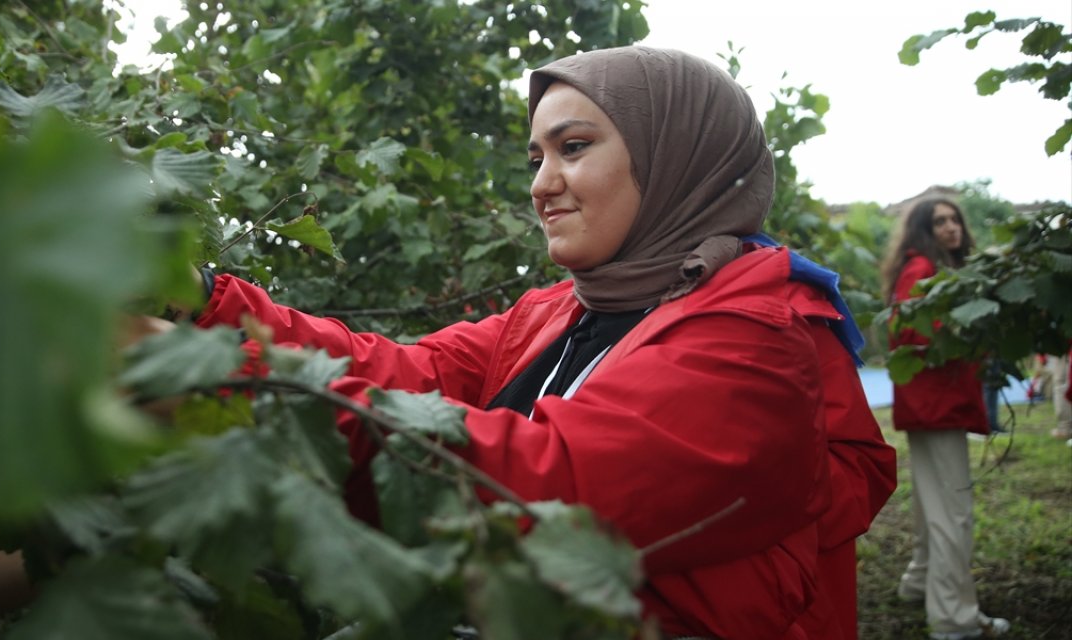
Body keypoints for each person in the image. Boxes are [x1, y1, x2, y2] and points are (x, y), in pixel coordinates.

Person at [192, 46, 894, 639]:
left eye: (574, 148)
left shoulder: (755, 338)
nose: (541, 184)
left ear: (678, 155)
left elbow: (547, 485)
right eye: (536, 156)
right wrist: (206, 305)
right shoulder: (561, 311)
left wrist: (231, 381)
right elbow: (412, 372)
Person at [882, 198, 1010, 639]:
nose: (952, 227)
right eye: (940, 221)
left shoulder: (932, 269)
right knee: (953, 511)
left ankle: (919, 582)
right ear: (923, 229)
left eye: (955, 219)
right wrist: (972, 329)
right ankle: (954, 619)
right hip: (937, 407)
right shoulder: (922, 270)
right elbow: (912, 331)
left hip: (933, 405)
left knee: (931, 502)